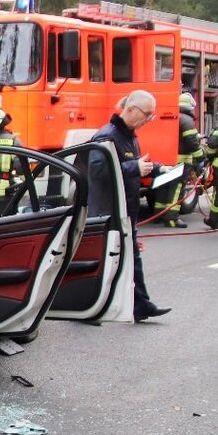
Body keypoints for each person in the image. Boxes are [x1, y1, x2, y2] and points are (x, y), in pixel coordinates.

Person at [89, 90, 172, 322]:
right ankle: (89, 308)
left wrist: (156, 168)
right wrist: (136, 167)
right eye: (147, 115)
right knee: (109, 262)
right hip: (110, 212)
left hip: (125, 211)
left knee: (131, 259)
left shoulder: (128, 135)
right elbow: (98, 172)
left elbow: (125, 165)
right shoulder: (107, 136)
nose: (148, 120)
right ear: (131, 110)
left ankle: (141, 305)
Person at [151, 92, 203, 228]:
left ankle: (159, 214)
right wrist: (200, 156)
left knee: (163, 185)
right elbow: (191, 141)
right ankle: (171, 218)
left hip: (164, 159)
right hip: (180, 161)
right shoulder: (187, 120)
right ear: (190, 107)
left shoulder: (172, 118)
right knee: (176, 188)